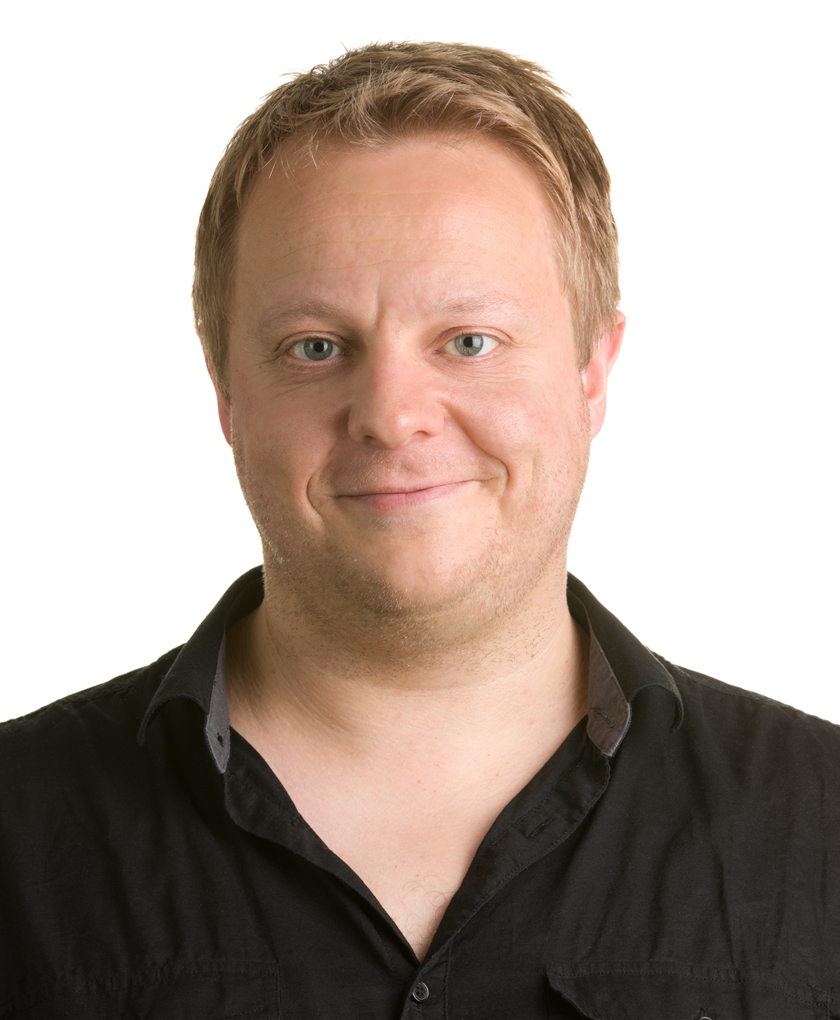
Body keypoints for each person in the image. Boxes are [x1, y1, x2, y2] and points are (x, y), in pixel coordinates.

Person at [1, 40, 838, 1020]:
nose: (392, 416)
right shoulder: (16, 837)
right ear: (225, 392)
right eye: (316, 347)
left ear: (593, 372)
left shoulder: (822, 825)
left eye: (470, 341)